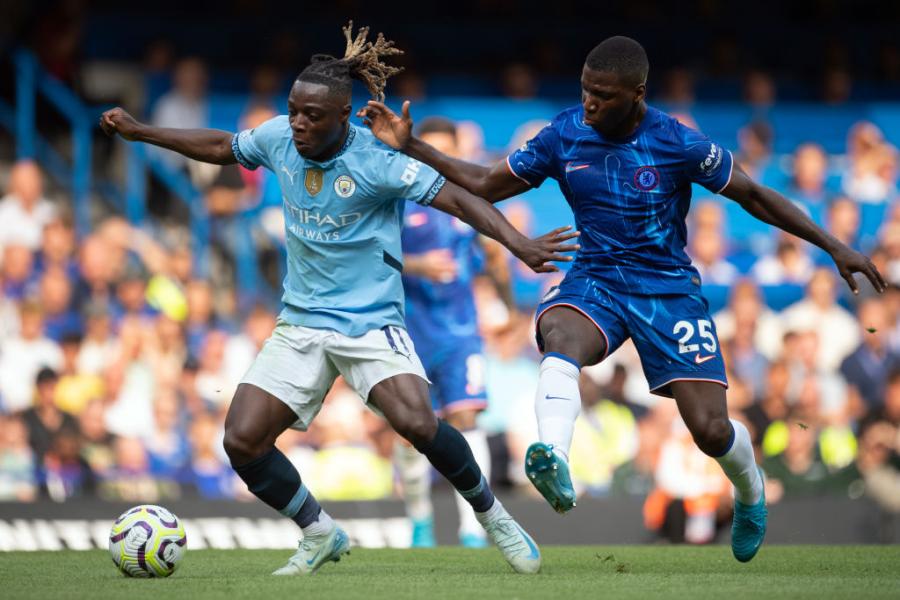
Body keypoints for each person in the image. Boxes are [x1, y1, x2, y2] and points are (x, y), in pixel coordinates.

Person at [359, 35, 886, 563]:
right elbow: (487, 182)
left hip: (667, 288)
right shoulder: (565, 132)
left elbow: (752, 194)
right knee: (559, 336)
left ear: (638, 94)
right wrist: (414, 146)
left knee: (710, 429)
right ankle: (555, 457)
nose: (589, 103)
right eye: (586, 90)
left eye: (604, 96)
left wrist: (834, 246)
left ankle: (749, 491)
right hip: (597, 278)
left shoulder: (678, 141)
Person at [100, 22, 574, 576]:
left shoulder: (377, 160)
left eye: (312, 115)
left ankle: (495, 519)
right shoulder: (279, 136)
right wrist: (141, 131)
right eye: (294, 110)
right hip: (300, 322)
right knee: (242, 440)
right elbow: (221, 147)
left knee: (420, 424)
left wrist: (518, 243)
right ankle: (319, 532)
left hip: (370, 323)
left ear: (343, 116)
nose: (299, 123)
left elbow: (461, 202)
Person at [395, 116, 507, 548]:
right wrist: (418, 265)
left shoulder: (468, 198)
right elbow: (369, 253)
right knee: (409, 429)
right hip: (407, 333)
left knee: (467, 418)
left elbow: (491, 252)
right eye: (430, 149)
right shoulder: (399, 198)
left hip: (460, 331)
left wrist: (509, 306)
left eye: (446, 151)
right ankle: (419, 520)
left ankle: (472, 527)